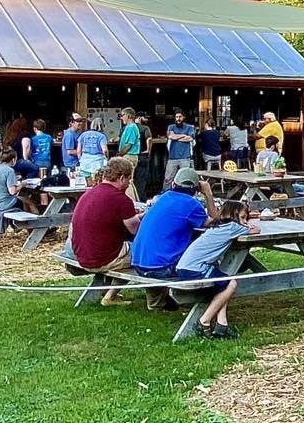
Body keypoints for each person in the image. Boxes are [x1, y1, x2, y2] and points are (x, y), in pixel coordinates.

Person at [131, 167, 217, 309]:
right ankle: (193, 301)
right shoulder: (191, 205)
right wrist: (208, 193)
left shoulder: (162, 198)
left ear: (173, 184)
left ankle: (157, 302)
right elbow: (216, 223)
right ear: (197, 189)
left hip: (138, 262)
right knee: (205, 255)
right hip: (159, 268)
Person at [62, 157, 143, 305]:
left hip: (81, 254)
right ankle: (159, 298)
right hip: (103, 258)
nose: (129, 184)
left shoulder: (88, 194)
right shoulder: (121, 199)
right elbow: (136, 231)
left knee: (125, 248)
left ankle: (109, 294)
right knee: (144, 252)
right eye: (129, 179)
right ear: (122, 178)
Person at [173, 199, 260, 338]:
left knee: (223, 284)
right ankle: (204, 321)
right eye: (243, 217)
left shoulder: (217, 226)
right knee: (230, 284)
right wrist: (247, 224)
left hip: (184, 266)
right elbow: (256, 230)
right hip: (195, 269)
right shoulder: (233, 226)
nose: (244, 221)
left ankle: (222, 325)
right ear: (233, 215)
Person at [0, 148, 40, 215]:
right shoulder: (9, 171)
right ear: (13, 160)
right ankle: (34, 218)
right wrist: (22, 184)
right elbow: (12, 192)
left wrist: (14, 178)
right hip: (4, 204)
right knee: (29, 202)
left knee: (23, 198)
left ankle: (27, 218)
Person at [163, 109, 196, 184]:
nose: (178, 119)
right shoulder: (171, 127)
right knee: (168, 179)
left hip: (185, 157)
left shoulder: (189, 127)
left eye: (180, 117)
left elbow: (190, 138)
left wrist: (176, 137)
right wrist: (184, 135)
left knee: (186, 179)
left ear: (183, 117)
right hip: (172, 157)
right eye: (176, 117)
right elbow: (171, 136)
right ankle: (167, 191)